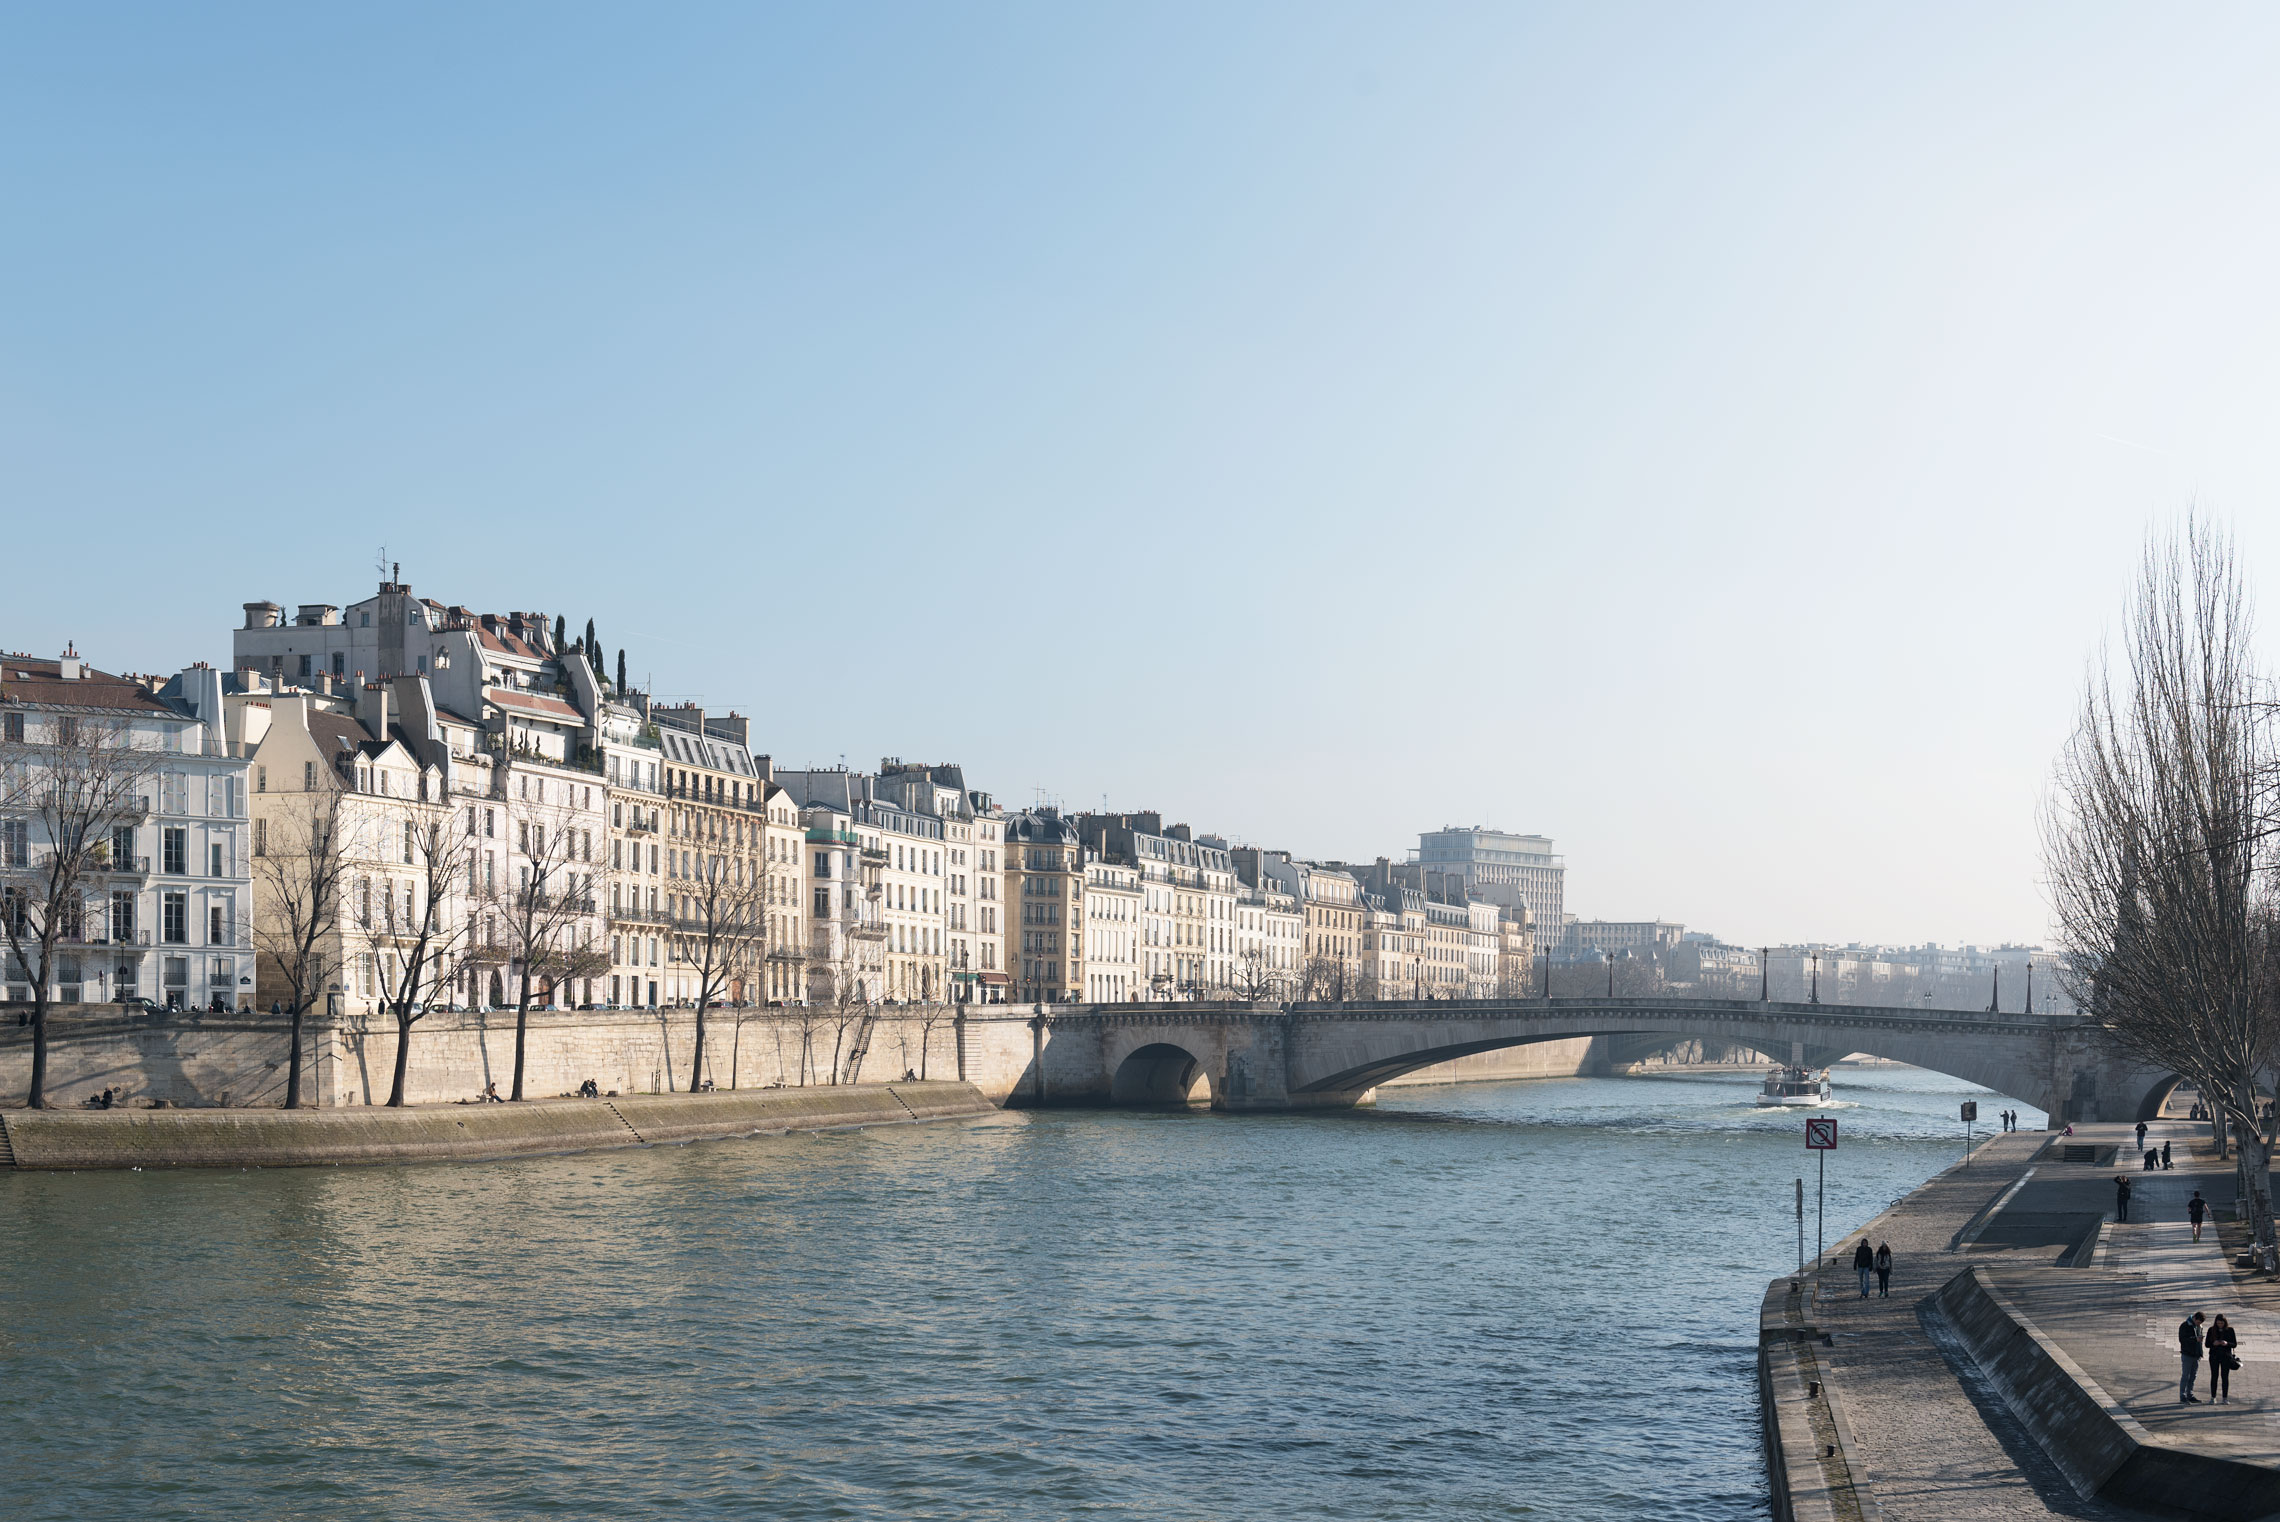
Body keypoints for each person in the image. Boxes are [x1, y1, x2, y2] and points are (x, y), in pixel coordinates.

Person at [2208, 1315, 2239, 1404]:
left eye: (2221, 1323)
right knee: (2214, 1376)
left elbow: (2234, 1344)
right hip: (2214, 1356)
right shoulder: (2211, 1330)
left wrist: (2226, 1343)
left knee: (2225, 1377)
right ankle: (2213, 1397)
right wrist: (2214, 1343)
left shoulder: (2230, 1330)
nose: (2220, 1325)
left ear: (2225, 1322)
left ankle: (2225, 1397)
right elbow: (2207, 1344)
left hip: (2226, 1356)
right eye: (2218, 1323)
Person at [2181, 1311, 2207, 1403]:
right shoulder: (2185, 1325)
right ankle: (2183, 1396)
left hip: (2196, 1355)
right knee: (2185, 1376)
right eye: (2198, 1322)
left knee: (2193, 1376)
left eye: (2200, 1323)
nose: (2199, 1324)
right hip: (2187, 1354)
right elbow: (2182, 1340)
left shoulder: (2199, 1326)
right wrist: (2194, 1339)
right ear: (2194, 1318)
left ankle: (2190, 1394)